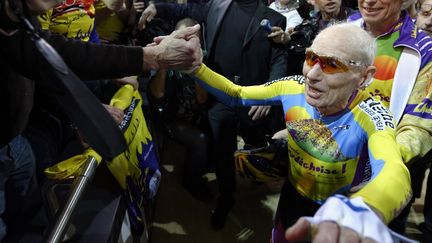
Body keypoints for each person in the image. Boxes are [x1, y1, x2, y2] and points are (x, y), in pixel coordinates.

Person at [188, 23, 411, 243]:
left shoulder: (373, 115)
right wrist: (195, 67)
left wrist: (362, 208)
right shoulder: (293, 87)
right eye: (311, 58)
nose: (311, 75)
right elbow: (237, 94)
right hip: (293, 197)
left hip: (339, 211)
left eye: (332, 64)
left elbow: (395, 170)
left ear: (364, 77)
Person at [0, 0, 201, 240]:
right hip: (36, 124)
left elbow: (53, 54)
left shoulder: (15, 15)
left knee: (26, 212)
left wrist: (148, 57)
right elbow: (48, 62)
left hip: (13, 139)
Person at [138, 0, 288, 229]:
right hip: (219, 98)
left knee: (256, 144)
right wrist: (156, 7)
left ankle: (257, 176)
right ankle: (226, 199)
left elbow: (279, 59)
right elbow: (183, 9)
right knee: (223, 154)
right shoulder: (216, 6)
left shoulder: (275, 19)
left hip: (254, 99)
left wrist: (270, 93)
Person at [348, 0, 432, 235]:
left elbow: (419, 126)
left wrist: (385, 166)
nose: (369, 1)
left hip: (379, 176)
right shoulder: (345, 28)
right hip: (327, 166)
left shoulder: (424, 50)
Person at [148, 17, 213, 202]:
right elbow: (157, 96)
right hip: (170, 117)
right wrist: (163, 64)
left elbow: (202, 101)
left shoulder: (203, 57)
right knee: (199, 140)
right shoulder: (163, 55)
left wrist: (197, 70)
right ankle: (191, 181)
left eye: (194, 39)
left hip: (196, 114)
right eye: (184, 38)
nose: (189, 45)